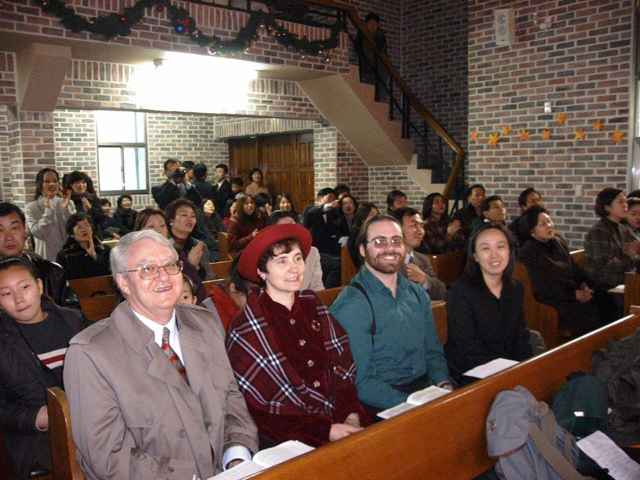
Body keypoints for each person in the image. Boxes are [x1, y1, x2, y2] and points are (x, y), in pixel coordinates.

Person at [63, 230, 258, 479]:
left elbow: (231, 398)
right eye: (147, 269)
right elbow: (109, 456)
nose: (163, 276)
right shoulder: (90, 353)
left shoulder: (205, 322)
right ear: (123, 282)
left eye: (169, 265)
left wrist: (236, 456)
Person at [227, 224, 366, 447]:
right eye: (282, 261)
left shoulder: (314, 305)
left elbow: (343, 367)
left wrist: (350, 413)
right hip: (288, 440)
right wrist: (325, 430)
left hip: (340, 420)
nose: (294, 269)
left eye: (298, 258)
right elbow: (260, 409)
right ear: (262, 272)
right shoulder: (246, 328)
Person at [331, 215, 451, 413]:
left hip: (424, 391)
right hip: (382, 403)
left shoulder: (416, 292)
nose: (390, 248)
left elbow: (433, 352)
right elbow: (362, 382)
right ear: (362, 250)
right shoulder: (352, 305)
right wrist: (413, 406)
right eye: (379, 242)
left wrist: (444, 384)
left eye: (396, 241)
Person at [0, 256, 85, 479]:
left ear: (39, 286)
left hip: (92, 425)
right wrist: (35, 418)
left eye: (24, 287)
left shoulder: (74, 321)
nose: (19, 299)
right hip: (38, 442)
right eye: (6, 294)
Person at [445, 223, 532, 382]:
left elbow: (521, 336)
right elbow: (467, 349)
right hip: (473, 374)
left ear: (510, 251)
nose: (494, 255)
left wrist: (525, 368)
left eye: (500, 247)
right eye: (485, 248)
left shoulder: (515, 288)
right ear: (475, 256)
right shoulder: (460, 292)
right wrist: (507, 373)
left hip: (509, 369)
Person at [518, 206, 600, 336]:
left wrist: (585, 284)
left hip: (569, 293)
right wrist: (574, 295)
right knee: (582, 313)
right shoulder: (528, 252)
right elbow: (541, 286)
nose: (549, 226)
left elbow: (574, 268)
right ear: (532, 231)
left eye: (550, 221)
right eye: (543, 224)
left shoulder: (557, 241)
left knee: (601, 298)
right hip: (551, 299)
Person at [0, 203, 74, 306]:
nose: (9, 237)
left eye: (14, 228)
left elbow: (71, 313)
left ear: (25, 231)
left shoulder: (52, 272)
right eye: (0, 230)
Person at [585, 188, 640, 320]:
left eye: (625, 201)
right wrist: (630, 256)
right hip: (604, 288)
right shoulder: (598, 231)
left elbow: (635, 253)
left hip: (623, 280)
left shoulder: (622, 228)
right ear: (607, 207)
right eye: (620, 202)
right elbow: (605, 266)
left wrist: (632, 256)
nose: (625, 205)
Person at [134, 208, 208, 303]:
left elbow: (197, 290)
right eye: (151, 227)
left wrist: (191, 266)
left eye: (162, 226)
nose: (158, 231)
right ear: (139, 232)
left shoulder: (175, 254)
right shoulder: (135, 260)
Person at [393, 207, 447, 301]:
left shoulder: (422, 259)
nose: (420, 231)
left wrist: (424, 279)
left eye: (421, 226)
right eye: (414, 225)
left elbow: (442, 292)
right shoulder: (387, 260)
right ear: (397, 229)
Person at [25, 167, 75, 261]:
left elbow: (73, 229)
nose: (52, 184)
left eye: (55, 181)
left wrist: (66, 209)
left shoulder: (68, 203)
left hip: (68, 256)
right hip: (46, 257)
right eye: (47, 181)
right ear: (40, 185)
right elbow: (38, 233)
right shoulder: (31, 207)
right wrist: (48, 210)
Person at [269, 210, 324, 291]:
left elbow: (317, 287)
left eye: (293, 226)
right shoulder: (269, 256)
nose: (291, 231)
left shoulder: (312, 252)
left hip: (306, 301)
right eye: (284, 228)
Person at [303, 187, 348, 288]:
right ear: (319, 198)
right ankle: (326, 292)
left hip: (330, 251)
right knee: (338, 265)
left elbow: (340, 229)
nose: (333, 201)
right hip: (315, 250)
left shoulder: (333, 212)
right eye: (330, 197)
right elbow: (311, 214)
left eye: (334, 198)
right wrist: (326, 206)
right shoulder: (310, 209)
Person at [165, 199, 214, 280]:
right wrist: (190, 264)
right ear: (171, 220)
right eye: (184, 215)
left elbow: (209, 277)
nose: (190, 219)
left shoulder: (199, 246)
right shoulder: (164, 247)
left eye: (193, 216)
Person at [56, 213, 111, 280]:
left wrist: (94, 256)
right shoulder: (64, 255)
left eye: (87, 225)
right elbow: (62, 281)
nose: (84, 229)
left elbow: (109, 274)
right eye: (79, 227)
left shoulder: (105, 249)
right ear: (72, 234)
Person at [355, 12, 389, 97]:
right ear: (366, 24)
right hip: (366, 67)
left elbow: (382, 51)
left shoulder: (380, 35)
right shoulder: (361, 34)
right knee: (368, 90)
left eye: (375, 24)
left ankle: (380, 99)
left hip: (379, 67)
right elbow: (358, 48)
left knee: (381, 82)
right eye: (370, 23)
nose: (373, 26)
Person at [63, 171, 105, 237]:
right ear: (71, 185)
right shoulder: (67, 200)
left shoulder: (93, 198)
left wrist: (90, 208)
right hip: (74, 237)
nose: (81, 185)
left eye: (83, 182)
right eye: (77, 182)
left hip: (94, 235)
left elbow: (101, 219)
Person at [347, 202, 379, 269]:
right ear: (363, 217)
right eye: (372, 215)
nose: (375, 218)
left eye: (377, 215)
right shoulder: (356, 232)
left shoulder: (375, 230)